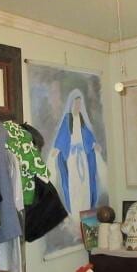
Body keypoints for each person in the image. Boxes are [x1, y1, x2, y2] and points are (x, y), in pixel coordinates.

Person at [49, 89, 103, 220]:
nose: (78, 106)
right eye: (76, 103)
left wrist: (94, 144)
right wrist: (57, 148)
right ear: (71, 104)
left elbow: (87, 135)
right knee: (74, 183)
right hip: (72, 158)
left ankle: (85, 208)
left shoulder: (81, 119)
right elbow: (62, 135)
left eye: (80, 103)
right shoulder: (68, 119)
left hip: (83, 157)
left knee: (85, 183)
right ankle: (75, 210)